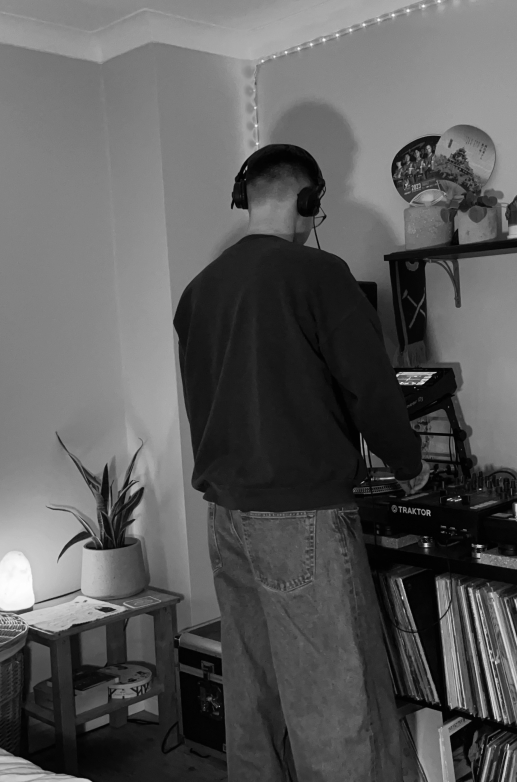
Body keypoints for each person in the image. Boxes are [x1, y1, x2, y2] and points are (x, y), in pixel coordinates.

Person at [173, 143, 430, 782]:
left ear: (247, 197)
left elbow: (202, 401)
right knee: (336, 701)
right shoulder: (319, 274)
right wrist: (407, 462)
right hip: (302, 518)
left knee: (252, 693)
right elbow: (370, 386)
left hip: (226, 515)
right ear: (308, 199)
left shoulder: (199, 291)